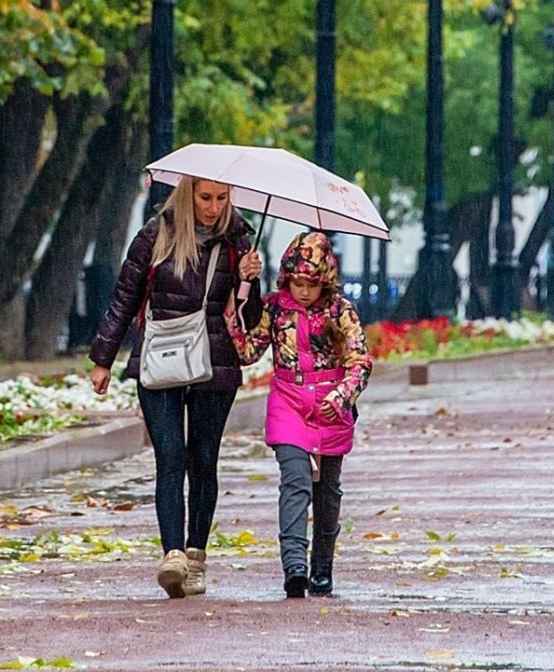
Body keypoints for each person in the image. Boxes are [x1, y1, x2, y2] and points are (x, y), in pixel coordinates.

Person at [89, 175, 263, 598]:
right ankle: (173, 556)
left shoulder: (240, 240)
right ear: (188, 195)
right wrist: (103, 359)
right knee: (170, 457)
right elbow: (124, 297)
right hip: (160, 358)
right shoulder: (156, 235)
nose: (213, 206)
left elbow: (252, 317)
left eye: (222, 197)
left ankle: (196, 554)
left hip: (214, 362)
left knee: (203, 460)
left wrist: (249, 280)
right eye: (205, 197)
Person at [224, 230, 372, 599]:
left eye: (311, 284)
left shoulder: (341, 311)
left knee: (328, 491)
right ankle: (294, 565)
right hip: (289, 400)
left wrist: (341, 396)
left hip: (330, 405)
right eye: (296, 282)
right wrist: (239, 300)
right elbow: (248, 351)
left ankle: (323, 565)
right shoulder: (276, 308)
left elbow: (360, 361)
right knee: (295, 480)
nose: (303, 291)